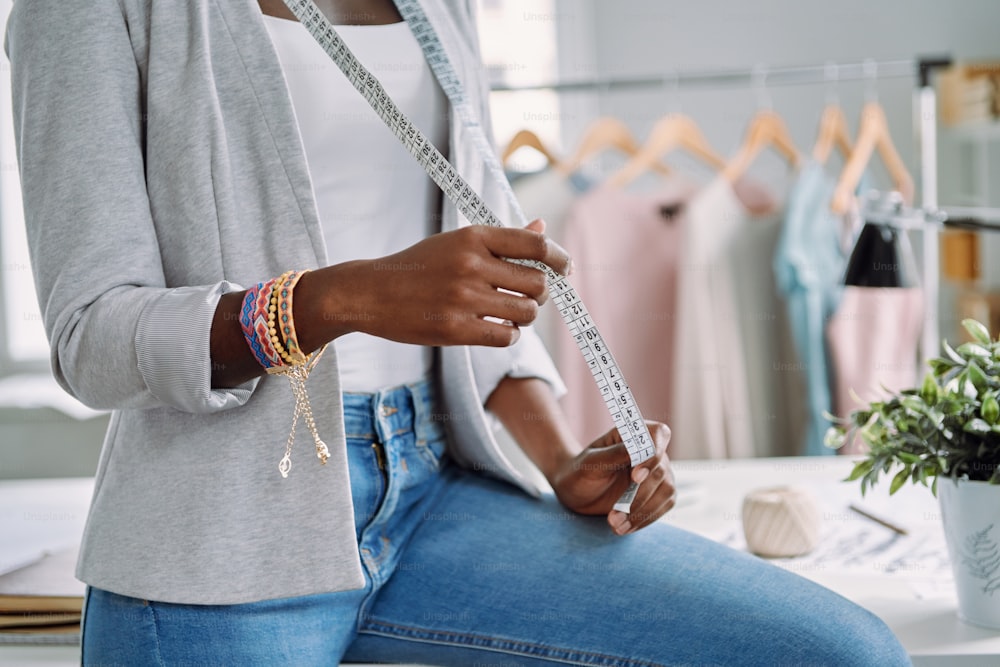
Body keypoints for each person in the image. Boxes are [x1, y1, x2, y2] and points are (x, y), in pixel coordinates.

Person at [6, 0, 911, 665]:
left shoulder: (438, 6)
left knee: (841, 654)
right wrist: (341, 299)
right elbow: (93, 331)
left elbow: (488, 277)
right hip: (219, 538)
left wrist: (558, 457)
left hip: (438, 485)